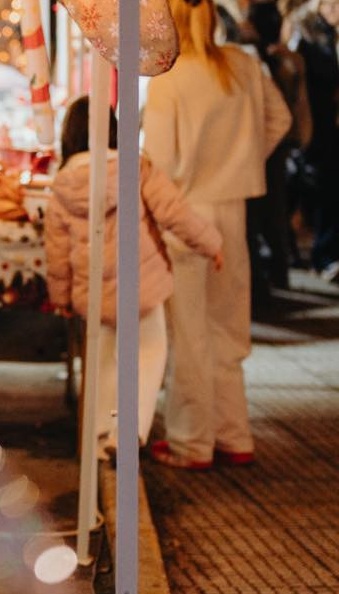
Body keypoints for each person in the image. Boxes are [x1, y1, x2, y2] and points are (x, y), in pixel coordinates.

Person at [142, 0, 291, 469]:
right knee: (228, 328)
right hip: (234, 208)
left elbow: (158, 163)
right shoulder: (245, 66)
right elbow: (280, 120)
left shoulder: (170, 78)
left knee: (190, 333)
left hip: (187, 213)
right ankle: (233, 433)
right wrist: (245, 159)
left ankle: (191, 441)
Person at [45, 96, 222, 460]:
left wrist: (61, 297)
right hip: (141, 283)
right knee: (150, 352)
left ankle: (99, 436)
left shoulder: (63, 184)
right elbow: (174, 213)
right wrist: (211, 244)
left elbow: (56, 251)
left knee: (104, 361)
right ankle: (126, 433)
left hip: (94, 291)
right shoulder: (136, 168)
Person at [246, 0, 311, 290]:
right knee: (276, 209)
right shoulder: (287, 59)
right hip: (279, 142)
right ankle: (279, 270)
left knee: (265, 209)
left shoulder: (259, 60)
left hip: (264, 143)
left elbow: (287, 107)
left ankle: (268, 273)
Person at [287, 0, 339, 276]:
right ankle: (325, 256)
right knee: (325, 191)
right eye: (328, 3)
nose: (333, 9)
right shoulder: (309, 36)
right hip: (321, 125)